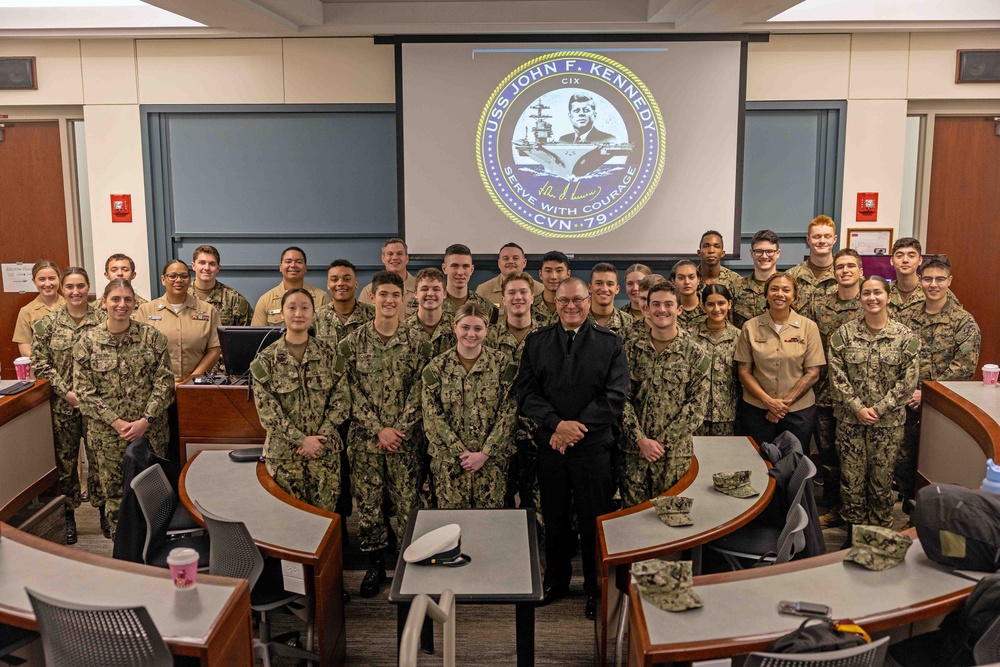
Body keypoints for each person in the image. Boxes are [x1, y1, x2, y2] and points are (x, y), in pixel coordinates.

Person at [514, 276, 629, 620]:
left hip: (593, 448)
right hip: (551, 446)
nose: (571, 306)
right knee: (555, 517)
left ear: (589, 298)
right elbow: (526, 393)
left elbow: (615, 397)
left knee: (595, 520)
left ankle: (595, 587)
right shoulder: (537, 342)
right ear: (554, 302)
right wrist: (556, 425)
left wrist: (574, 429)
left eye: (577, 300)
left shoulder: (610, 344)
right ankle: (557, 580)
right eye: (563, 301)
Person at [340, 271, 432, 597]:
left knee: (408, 506)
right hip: (366, 441)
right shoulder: (350, 344)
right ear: (372, 298)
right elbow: (347, 392)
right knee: (370, 507)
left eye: (395, 295)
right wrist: (379, 428)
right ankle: (375, 565)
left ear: (404, 299)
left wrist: (399, 429)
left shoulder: (419, 343)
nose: (389, 301)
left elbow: (423, 392)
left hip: (405, 442)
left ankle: (411, 565)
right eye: (383, 295)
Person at [73, 279, 174, 534]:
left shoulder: (153, 337)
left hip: (150, 432)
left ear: (134, 302)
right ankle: (124, 555)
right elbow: (84, 392)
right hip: (108, 436)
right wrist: (117, 423)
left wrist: (145, 420)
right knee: (116, 497)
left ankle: (155, 552)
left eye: (128, 299)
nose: (122, 305)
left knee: (154, 495)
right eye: (115, 299)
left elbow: (164, 383)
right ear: (104, 302)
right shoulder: (87, 342)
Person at [828, 276, 919, 530]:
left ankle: (880, 530)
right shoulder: (843, 335)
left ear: (889, 297)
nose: (872, 298)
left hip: (887, 425)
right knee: (851, 479)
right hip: (850, 422)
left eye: (878, 292)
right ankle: (853, 530)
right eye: (866, 293)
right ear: (860, 299)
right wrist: (857, 407)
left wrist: (878, 409)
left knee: (882, 481)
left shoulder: (905, 337)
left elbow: (907, 383)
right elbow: (837, 377)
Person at [250, 288, 349, 513]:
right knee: (287, 519)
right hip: (285, 456)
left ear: (313, 314)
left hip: (324, 454)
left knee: (324, 518)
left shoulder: (331, 356)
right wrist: (302, 440)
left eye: (305, 307)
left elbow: (341, 402)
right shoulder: (266, 360)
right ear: (282, 314)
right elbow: (268, 413)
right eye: (292, 307)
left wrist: (318, 439)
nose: (298, 313)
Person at [894, 255, 981, 511]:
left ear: (949, 281)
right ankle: (909, 514)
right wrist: (909, 391)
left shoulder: (964, 322)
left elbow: (963, 368)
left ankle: (931, 519)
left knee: (934, 466)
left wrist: (927, 394)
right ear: (920, 281)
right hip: (905, 403)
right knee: (903, 463)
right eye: (929, 279)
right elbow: (896, 356)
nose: (934, 284)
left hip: (942, 409)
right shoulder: (907, 318)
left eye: (940, 279)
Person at [31, 267, 107, 543]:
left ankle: (104, 513)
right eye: (70, 286)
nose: (76, 292)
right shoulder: (47, 324)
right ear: (62, 289)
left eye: (81, 286)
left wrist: (90, 395)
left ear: (88, 287)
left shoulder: (104, 319)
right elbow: (40, 365)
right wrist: (67, 393)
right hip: (64, 406)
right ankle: (68, 517)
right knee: (65, 463)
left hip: (98, 406)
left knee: (100, 461)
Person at [621, 281, 710, 507]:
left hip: (674, 456)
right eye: (656, 304)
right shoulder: (628, 350)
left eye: (669, 304)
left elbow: (697, 406)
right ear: (647, 309)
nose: (662, 310)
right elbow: (620, 399)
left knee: (673, 522)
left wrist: (659, 443)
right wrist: (640, 440)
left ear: (679, 309)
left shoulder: (696, 353)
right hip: (634, 454)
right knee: (633, 519)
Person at [422, 303, 518, 509]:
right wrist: (460, 453)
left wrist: (484, 453)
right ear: (454, 326)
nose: (471, 334)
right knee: (451, 525)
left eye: (477, 328)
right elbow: (432, 417)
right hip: (449, 463)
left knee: (489, 525)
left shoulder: (503, 365)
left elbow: (509, 413)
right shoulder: (437, 368)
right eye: (465, 327)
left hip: (492, 463)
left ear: (487, 330)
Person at [805, 248, 864, 526]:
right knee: (829, 453)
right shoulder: (820, 304)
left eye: (851, 266)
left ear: (860, 271)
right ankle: (833, 507)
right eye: (840, 267)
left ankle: (857, 509)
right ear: (834, 272)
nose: (845, 271)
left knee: (857, 456)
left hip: (861, 395)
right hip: (826, 393)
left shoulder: (871, 301)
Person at [735, 272, 825, 449]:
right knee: (760, 463)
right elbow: (744, 371)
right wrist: (769, 402)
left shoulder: (808, 327)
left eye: (786, 290)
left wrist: (782, 405)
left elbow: (813, 373)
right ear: (766, 294)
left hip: (798, 412)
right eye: (774, 289)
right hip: (757, 409)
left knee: (795, 464)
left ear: (794, 296)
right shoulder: (751, 327)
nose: (779, 294)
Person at [485, 272, 541, 512]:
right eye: (511, 293)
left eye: (522, 292)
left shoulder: (547, 337)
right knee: (500, 500)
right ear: (503, 299)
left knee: (537, 501)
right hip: (497, 435)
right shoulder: (487, 338)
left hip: (536, 432)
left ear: (532, 297)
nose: (517, 297)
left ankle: (536, 547)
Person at [137, 260, 221, 385]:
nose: (178, 280)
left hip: (195, 386)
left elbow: (214, 350)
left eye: (184, 276)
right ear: (163, 279)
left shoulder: (208, 310)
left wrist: (190, 381)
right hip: (155, 387)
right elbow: (139, 351)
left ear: (189, 280)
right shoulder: (146, 310)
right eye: (172, 276)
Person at [694, 284, 740, 436]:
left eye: (721, 303)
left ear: (729, 304)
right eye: (710, 304)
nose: (716, 309)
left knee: (724, 458)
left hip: (726, 414)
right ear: (703, 306)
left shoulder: (739, 337)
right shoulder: (690, 336)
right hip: (695, 413)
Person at [251, 246, 330, 326]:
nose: (293, 265)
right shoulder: (265, 300)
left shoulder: (322, 298)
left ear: (306, 268)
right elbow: (257, 336)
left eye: (299, 262)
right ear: (280, 267)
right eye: (288, 261)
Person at [887, 237, 960, 320]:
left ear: (920, 260)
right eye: (899, 256)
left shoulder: (935, 290)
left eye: (911, 256)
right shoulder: (883, 291)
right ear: (892, 261)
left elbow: (956, 318)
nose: (905, 260)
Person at [313, 259, 375, 348]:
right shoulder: (316, 317)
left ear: (356, 283)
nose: (341, 283)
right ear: (328, 285)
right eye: (334, 279)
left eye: (347, 279)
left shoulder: (373, 315)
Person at [188, 244, 252, 328]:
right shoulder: (182, 295)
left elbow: (248, 334)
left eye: (212, 264)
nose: (207, 268)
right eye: (202, 263)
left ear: (218, 268)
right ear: (193, 266)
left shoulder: (234, 299)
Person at [786, 215, 839, 312]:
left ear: (834, 239)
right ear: (808, 239)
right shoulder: (792, 276)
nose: (822, 241)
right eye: (817, 237)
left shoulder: (844, 275)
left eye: (827, 236)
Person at [13, 260, 64, 357]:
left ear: (59, 279)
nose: (48, 284)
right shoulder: (27, 311)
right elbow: (25, 350)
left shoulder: (70, 306)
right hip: (41, 369)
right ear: (34, 281)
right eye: (42, 279)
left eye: (52, 278)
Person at [733, 229, 781, 328]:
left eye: (770, 251)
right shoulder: (736, 288)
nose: (764, 256)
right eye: (759, 251)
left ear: (778, 253)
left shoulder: (787, 288)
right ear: (751, 253)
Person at [359, 237, 418, 316]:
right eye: (390, 254)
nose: (394, 258)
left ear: (407, 258)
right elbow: (361, 320)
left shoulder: (420, 287)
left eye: (399, 254)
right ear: (383, 258)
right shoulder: (368, 291)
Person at [440, 243, 497, 324]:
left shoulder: (486, 307)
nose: (460, 272)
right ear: (444, 268)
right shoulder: (433, 303)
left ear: (471, 270)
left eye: (465, 266)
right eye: (455, 266)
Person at [475, 242, 543, 310]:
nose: (510, 261)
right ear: (499, 263)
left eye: (515, 258)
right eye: (506, 258)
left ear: (524, 262)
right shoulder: (483, 291)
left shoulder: (540, 290)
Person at [403, 267, 455, 357]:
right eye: (424, 289)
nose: (430, 293)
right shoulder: (403, 331)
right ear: (415, 293)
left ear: (444, 294)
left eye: (436, 289)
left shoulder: (457, 329)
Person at [587, 262, 633, 336]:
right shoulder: (579, 320)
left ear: (617, 289)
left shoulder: (629, 322)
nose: (604, 289)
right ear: (590, 288)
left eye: (610, 284)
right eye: (599, 283)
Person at [531, 250, 570, 327]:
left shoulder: (574, 307)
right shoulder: (529, 307)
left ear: (568, 274)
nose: (553, 277)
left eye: (559, 271)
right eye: (548, 271)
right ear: (540, 274)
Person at [670, 259, 705, 331]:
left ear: (698, 280)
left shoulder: (709, 305)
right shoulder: (668, 307)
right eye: (681, 278)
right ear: (673, 281)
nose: (687, 282)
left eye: (691, 277)